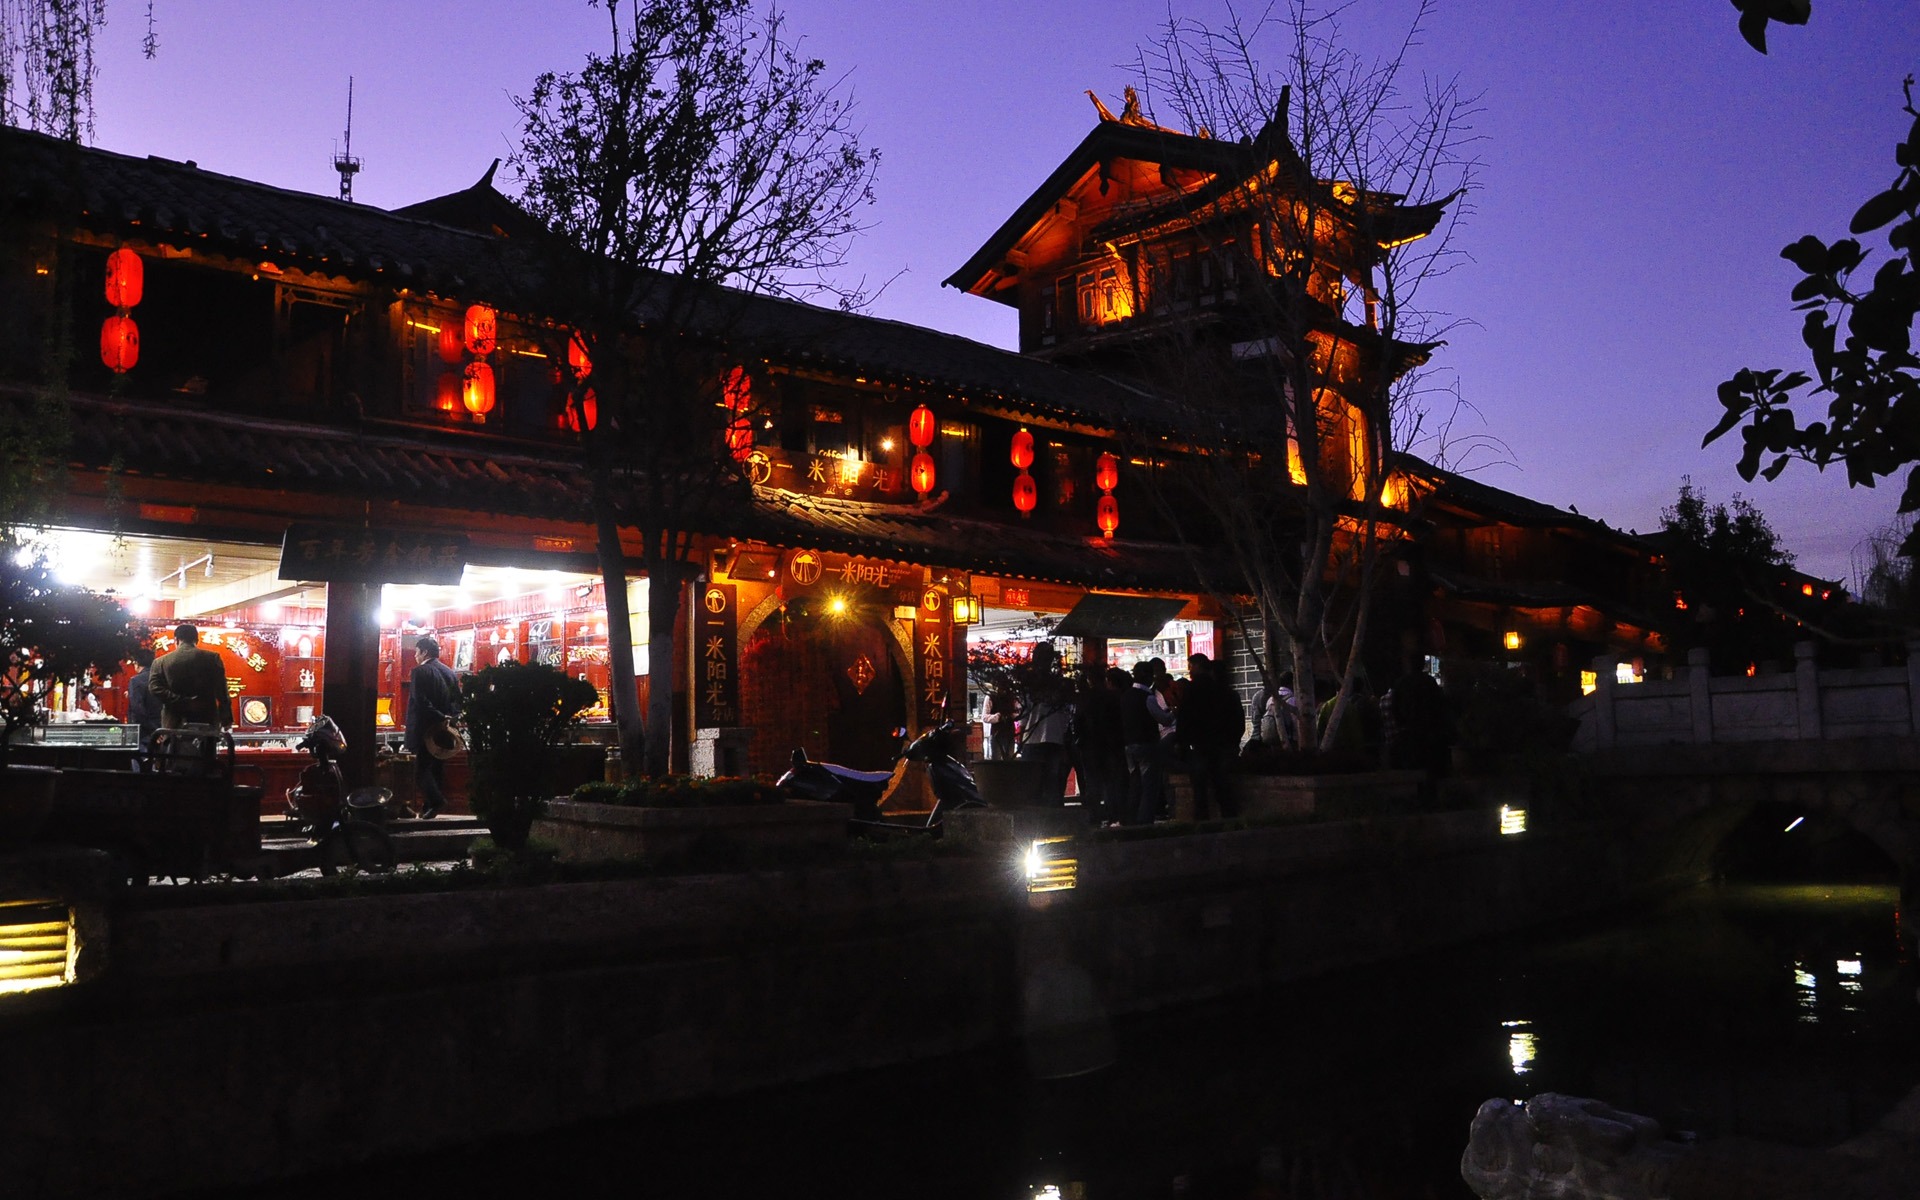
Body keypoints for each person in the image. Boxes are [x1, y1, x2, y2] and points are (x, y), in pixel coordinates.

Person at [1176, 653, 1245, 820]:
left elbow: (1185, 717)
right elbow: (1237, 722)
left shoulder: (1193, 690)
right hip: (1220, 744)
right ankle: (1229, 818)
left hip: (1201, 745)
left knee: (1200, 787)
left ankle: (1203, 820)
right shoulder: (1226, 693)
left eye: (1191, 666)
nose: (1189, 670)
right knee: (1221, 785)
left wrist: (1182, 741)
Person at [406, 635, 461, 819]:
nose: (415, 656)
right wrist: (449, 719)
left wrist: (438, 716)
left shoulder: (419, 672)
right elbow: (457, 701)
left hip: (424, 729)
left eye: (417, 652)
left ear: (424, 652)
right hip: (444, 730)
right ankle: (428, 808)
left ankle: (436, 801)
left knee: (421, 770)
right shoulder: (450, 673)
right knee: (437, 767)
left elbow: (420, 701)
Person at [1017, 643, 1073, 805]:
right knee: (1051, 781)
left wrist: (1020, 739)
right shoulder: (1059, 684)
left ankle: (1033, 816)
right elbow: (1065, 714)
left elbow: (1024, 715)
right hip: (1055, 738)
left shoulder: (1029, 683)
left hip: (1032, 738)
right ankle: (1051, 817)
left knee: (1031, 781)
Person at [1121, 660, 1174, 823]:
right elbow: (1163, 719)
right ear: (1148, 676)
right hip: (1146, 745)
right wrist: (1175, 711)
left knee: (1135, 785)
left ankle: (1130, 820)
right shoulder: (1148, 698)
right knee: (1149, 787)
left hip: (1129, 745)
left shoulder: (1126, 695)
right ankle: (1144, 821)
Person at [149, 624, 231, 729]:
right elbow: (222, 691)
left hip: (174, 723)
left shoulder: (160, 662)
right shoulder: (212, 658)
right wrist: (226, 718)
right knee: (205, 744)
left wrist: (180, 700)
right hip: (206, 721)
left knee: (175, 745)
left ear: (176, 640)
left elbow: (155, 688)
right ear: (196, 640)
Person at [125, 646, 159, 765]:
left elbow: (137, 709)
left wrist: (152, 729)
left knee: (140, 767)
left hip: (142, 733)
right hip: (160, 730)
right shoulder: (161, 678)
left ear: (137, 663)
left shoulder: (136, 681)